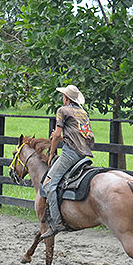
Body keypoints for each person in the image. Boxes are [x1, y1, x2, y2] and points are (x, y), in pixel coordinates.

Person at [41, 85, 95, 238]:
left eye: (63, 96)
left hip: (70, 153)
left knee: (49, 184)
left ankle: (57, 223)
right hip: (83, 154)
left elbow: (57, 135)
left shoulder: (62, 111)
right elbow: (85, 135)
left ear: (66, 98)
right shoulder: (83, 113)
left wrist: (52, 153)